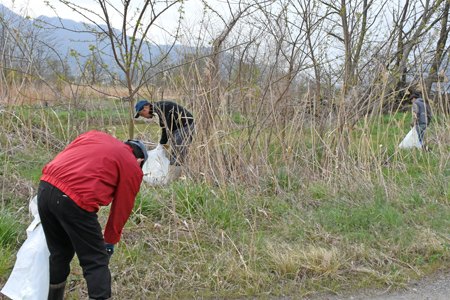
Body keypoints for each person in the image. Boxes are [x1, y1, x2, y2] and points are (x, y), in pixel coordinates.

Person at [37, 130, 148, 300]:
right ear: (140, 160)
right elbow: (122, 208)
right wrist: (109, 241)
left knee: (59, 253)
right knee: (96, 261)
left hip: (45, 186)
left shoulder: (93, 135)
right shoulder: (132, 165)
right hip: (73, 199)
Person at [134, 100, 195, 181]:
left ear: (146, 107)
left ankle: (173, 180)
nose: (144, 117)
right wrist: (162, 144)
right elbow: (167, 127)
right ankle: (180, 176)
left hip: (184, 127)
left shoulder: (161, 107)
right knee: (176, 152)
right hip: (179, 128)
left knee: (176, 154)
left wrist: (161, 145)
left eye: (142, 114)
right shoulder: (159, 107)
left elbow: (166, 128)